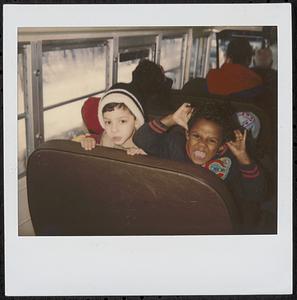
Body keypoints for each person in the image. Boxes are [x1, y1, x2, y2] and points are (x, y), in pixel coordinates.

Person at [131, 102, 267, 231]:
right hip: (174, 214)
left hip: (213, 221)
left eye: (212, 140)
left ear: (221, 145)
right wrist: (172, 119)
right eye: (196, 136)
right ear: (187, 134)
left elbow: (257, 194)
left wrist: (243, 158)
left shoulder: (230, 160)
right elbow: (141, 139)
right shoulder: (175, 146)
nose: (202, 145)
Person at [77, 88, 145, 152]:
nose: (114, 129)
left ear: (136, 121)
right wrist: (89, 140)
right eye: (108, 122)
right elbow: (96, 138)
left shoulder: (146, 146)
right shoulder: (106, 138)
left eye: (122, 121)